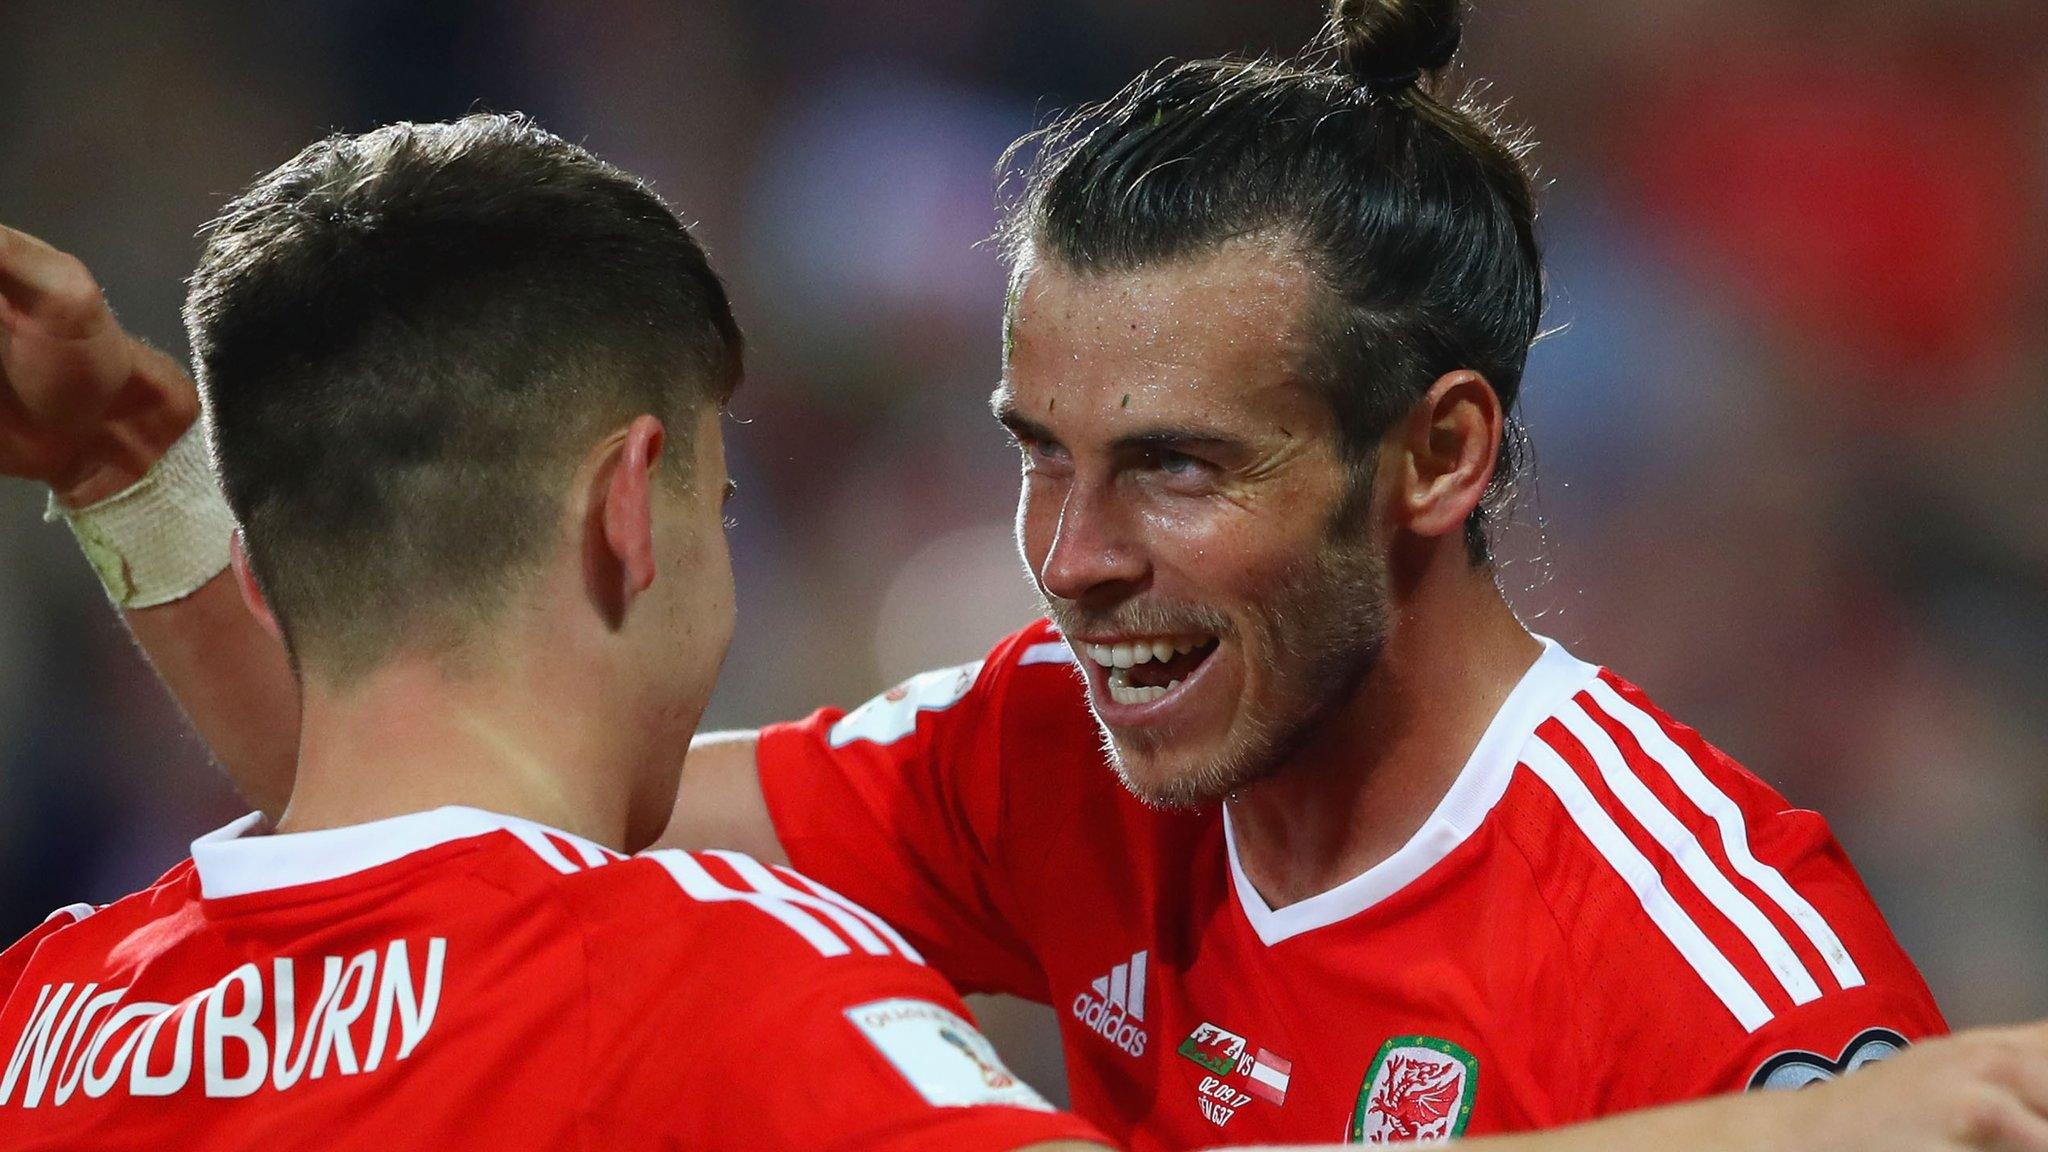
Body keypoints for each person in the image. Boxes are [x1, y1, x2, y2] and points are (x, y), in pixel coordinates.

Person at [5, 7, 2048, 1152]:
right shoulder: (1030, 759)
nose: (1069, 564)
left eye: (1170, 469)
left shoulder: (1710, 956)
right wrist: (138, 475)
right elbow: (405, 776)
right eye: (1034, 461)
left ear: (1437, 458)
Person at [0, 114, 1108, 1152]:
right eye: (714, 506)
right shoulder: (731, 994)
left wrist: (127, 475)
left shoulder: (40, 1021)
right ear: (626, 505)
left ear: (252, 577)